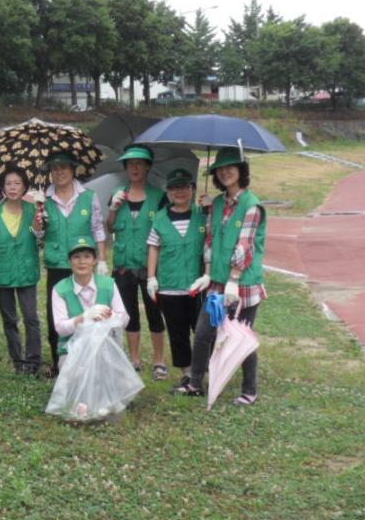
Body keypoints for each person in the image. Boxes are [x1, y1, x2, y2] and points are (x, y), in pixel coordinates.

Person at [173, 148, 267, 405]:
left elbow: (244, 246)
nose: (225, 173)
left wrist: (234, 280)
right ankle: (195, 382)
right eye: (220, 169)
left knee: (240, 336)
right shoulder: (216, 204)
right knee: (204, 332)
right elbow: (211, 240)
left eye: (230, 168)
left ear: (241, 171)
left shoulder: (252, 206)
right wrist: (206, 274)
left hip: (242, 284)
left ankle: (250, 390)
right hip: (216, 282)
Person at [33, 152, 109, 377]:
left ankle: (90, 360)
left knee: (87, 310)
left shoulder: (89, 196)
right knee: (56, 315)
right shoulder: (43, 200)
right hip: (57, 264)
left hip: (84, 264)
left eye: (64, 167)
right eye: (55, 168)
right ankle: (59, 363)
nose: (60, 172)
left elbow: (97, 228)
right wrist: (37, 221)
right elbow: (39, 235)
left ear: (73, 170)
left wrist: (102, 260)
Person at [106, 144, 168, 378]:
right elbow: (109, 227)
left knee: (154, 313)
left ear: (148, 167)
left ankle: (159, 361)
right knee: (128, 313)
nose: (134, 168)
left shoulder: (159, 197)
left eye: (139, 163)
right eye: (130, 164)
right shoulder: (117, 194)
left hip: (150, 267)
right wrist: (113, 209)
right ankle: (134, 359)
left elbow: (164, 231)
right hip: (123, 265)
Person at [0, 166, 42, 375]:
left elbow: (38, 233)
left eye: (17, 183)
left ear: (25, 187)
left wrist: (40, 212)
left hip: (26, 270)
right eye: (8, 184)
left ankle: (33, 361)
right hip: (3, 270)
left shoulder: (34, 210)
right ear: (3, 188)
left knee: (31, 317)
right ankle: (18, 361)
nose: (13, 188)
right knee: (9, 319)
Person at [146, 169, 208, 383]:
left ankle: (204, 370)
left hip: (197, 286)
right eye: (174, 188)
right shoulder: (160, 218)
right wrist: (151, 277)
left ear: (192, 189)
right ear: (169, 192)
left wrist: (210, 208)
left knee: (203, 331)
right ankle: (188, 373)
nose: (180, 192)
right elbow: (154, 247)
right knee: (177, 332)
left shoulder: (203, 215)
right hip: (170, 286)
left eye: (184, 187)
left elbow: (212, 243)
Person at [51, 237, 128, 370]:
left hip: (106, 348)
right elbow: (60, 329)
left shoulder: (108, 284)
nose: (82, 262)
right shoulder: (60, 289)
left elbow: (124, 318)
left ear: (95, 260)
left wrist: (108, 316)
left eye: (87, 256)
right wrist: (84, 318)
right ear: (69, 261)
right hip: (72, 351)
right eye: (76, 257)